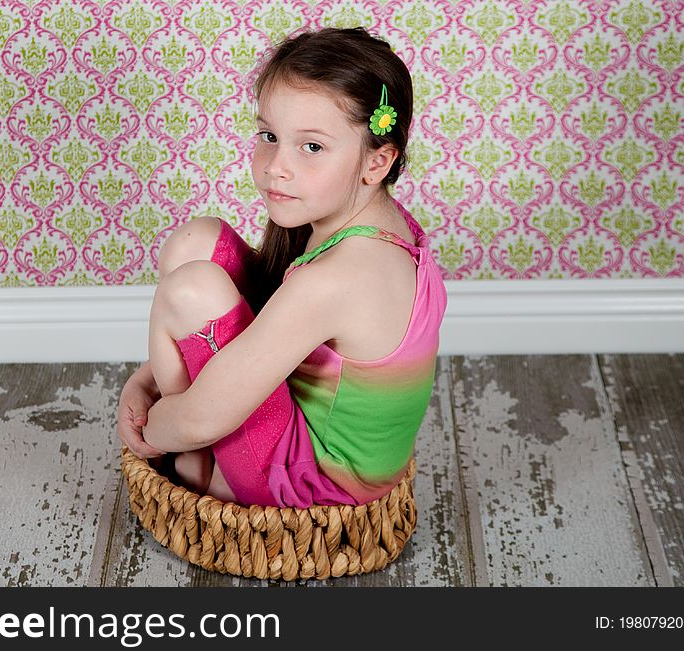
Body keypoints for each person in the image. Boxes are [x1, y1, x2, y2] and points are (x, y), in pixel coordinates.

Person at [117, 27, 447, 508]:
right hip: (299, 421)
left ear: (376, 162)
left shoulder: (341, 277)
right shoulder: (377, 222)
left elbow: (202, 415)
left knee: (190, 289)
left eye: (311, 147)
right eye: (270, 136)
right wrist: (143, 380)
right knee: (197, 242)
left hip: (313, 484)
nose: (276, 166)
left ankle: (198, 466)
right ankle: (207, 453)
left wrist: (157, 428)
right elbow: (272, 336)